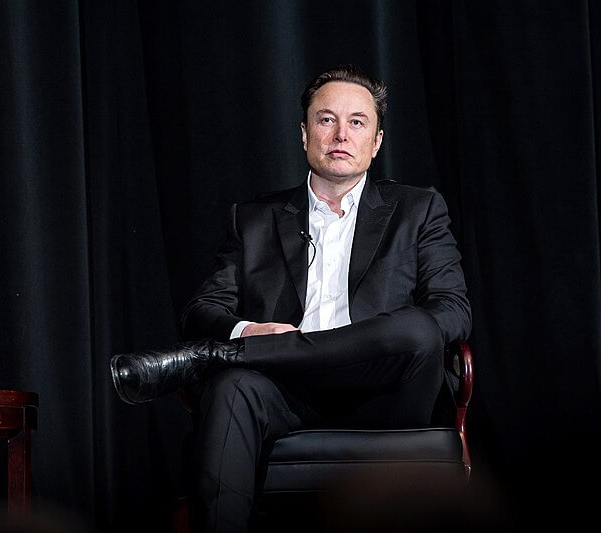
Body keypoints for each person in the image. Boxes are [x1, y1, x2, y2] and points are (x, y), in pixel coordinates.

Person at [110, 65, 471, 532]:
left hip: (388, 393)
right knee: (230, 387)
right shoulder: (254, 218)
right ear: (304, 134)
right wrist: (248, 330)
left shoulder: (418, 209)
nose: (341, 133)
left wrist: (245, 352)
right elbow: (203, 310)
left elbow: (453, 312)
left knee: (419, 327)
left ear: (377, 141)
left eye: (357, 122)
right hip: (288, 391)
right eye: (326, 119)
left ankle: (227, 356)